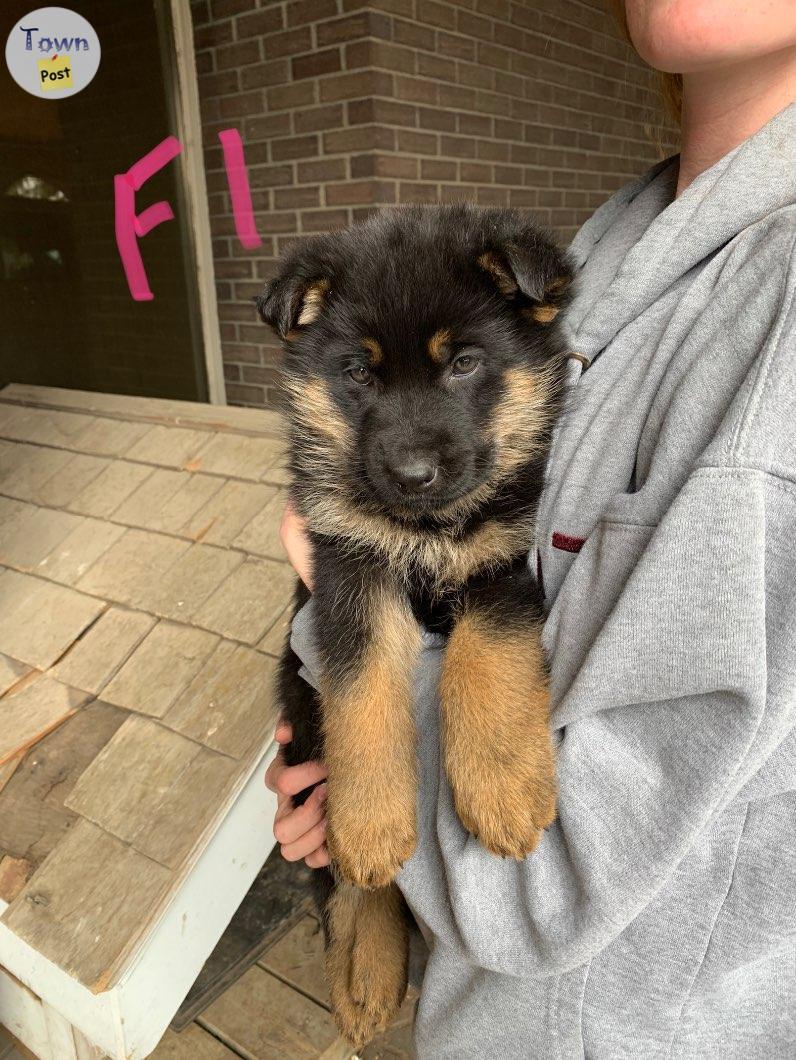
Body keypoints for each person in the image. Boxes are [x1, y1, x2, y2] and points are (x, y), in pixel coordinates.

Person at [266, 1, 796, 1054]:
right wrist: (357, 799)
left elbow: (545, 879)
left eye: (461, 366)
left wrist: (399, 726)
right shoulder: (617, 241)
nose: (412, 449)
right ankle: (354, 906)